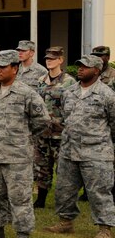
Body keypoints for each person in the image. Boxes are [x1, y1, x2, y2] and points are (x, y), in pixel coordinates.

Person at [0, 50, 50, 238]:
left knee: (20, 197)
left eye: (3, 67)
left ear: (15, 68)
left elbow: (42, 120)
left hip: (17, 157)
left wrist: (23, 138)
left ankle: (23, 234)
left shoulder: (26, 93)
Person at [44, 54, 115, 238]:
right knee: (64, 189)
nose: (81, 69)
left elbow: (113, 123)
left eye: (86, 66)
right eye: (80, 66)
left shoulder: (107, 94)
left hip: (96, 152)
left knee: (99, 191)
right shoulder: (69, 92)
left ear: (97, 71)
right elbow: (65, 117)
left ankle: (104, 228)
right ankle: (65, 222)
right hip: (69, 150)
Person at [32, 46, 76, 208]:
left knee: (63, 169)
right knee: (41, 166)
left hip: (61, 133)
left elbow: (73, 108)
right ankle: (41, 199)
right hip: (43, 133)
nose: (49, 61)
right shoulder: (41, 80)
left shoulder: (69, 82)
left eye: (52, 58)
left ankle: (64, 201)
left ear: (60, 60)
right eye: (47, 59)